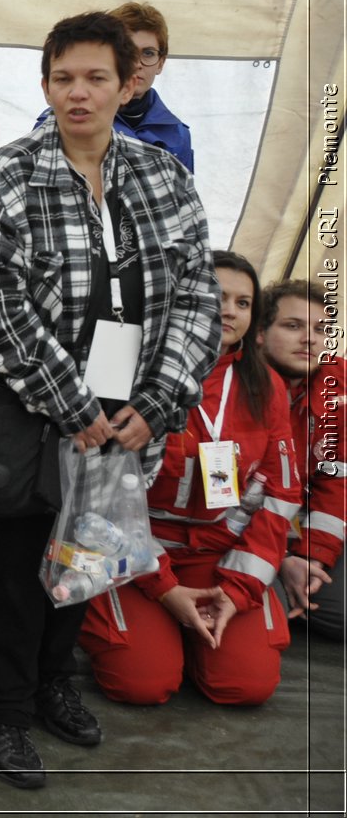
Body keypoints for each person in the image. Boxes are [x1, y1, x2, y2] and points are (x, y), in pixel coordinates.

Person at [0, 11, 220, 790]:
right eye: (63, 78)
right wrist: (72, 402)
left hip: (132, 409)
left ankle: (50, 683)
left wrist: (161, 397)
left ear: (127, 82)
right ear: (44, 85)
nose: (79, 93)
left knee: (89, 555)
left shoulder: (163, 176)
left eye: (96, 77)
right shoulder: (7, 176)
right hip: (33, 410)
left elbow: (196, 293)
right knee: (13, 564)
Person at [80, 251, 298, 704]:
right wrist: (164, 590)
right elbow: (93, 491)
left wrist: (238, 592)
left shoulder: (267, 387)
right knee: (141, 685)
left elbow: (280, 496)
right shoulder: (124, 364)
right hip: (135, 552)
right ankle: (149, 627)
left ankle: (193, 636)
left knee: (246, 686)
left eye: (243, 302)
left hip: (217, 555)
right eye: (215, 296)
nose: (228, 310)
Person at [261, 279, 345, 639]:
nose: (310, 339)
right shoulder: (232, 385)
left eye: (320, 329)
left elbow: (338, 479)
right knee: (278, 609)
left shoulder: (339, 387)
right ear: (259, 334)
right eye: (293, 326)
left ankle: (295, 587)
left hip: (306, 524)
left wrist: (312, 556)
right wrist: (281, 559)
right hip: (247, 531)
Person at [34, 1, 194, 172]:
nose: (137, 64)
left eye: (148, 53)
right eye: (128, 51)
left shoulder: (177, 133)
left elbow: (183, 195)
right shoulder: (63, 120)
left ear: (161, 63)